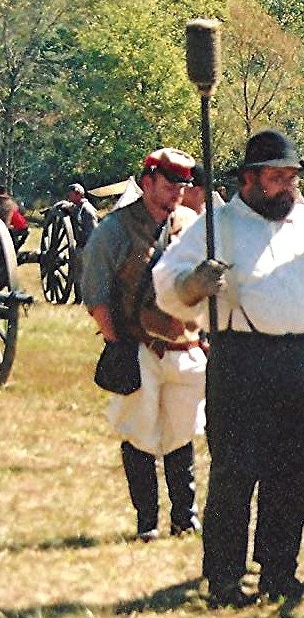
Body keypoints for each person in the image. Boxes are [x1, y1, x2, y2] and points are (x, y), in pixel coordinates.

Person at [153, 129, 304, 608]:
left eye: (292, 178)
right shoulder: (219, 223)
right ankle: (225, 578)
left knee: (297, 475)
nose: (287, 187)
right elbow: (166, 281)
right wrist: (195, 284)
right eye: (277, 178)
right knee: (235, 475)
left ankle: (279, 570)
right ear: (250, 180)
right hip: (240, 359)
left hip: (301, 360)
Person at [80, 148, 205, 543]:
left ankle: (184, 517)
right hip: (138, 347)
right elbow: (97, 298)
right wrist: (119, 346)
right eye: (169, 187)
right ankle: (147, 521)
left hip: (185, 346)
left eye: (181, 188)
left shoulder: (192, 225)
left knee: (181, 435)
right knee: (140, 435)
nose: (176, 196)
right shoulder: (114, 231)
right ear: (147, 182)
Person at [66, 184, 100, 303]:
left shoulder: (87, 209)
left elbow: (93, 231)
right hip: (81, 246)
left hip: (87, 246)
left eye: (71, 194)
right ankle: (78, 299)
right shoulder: (78, 207)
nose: (69, 196)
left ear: (78, 194)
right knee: (78, 274)